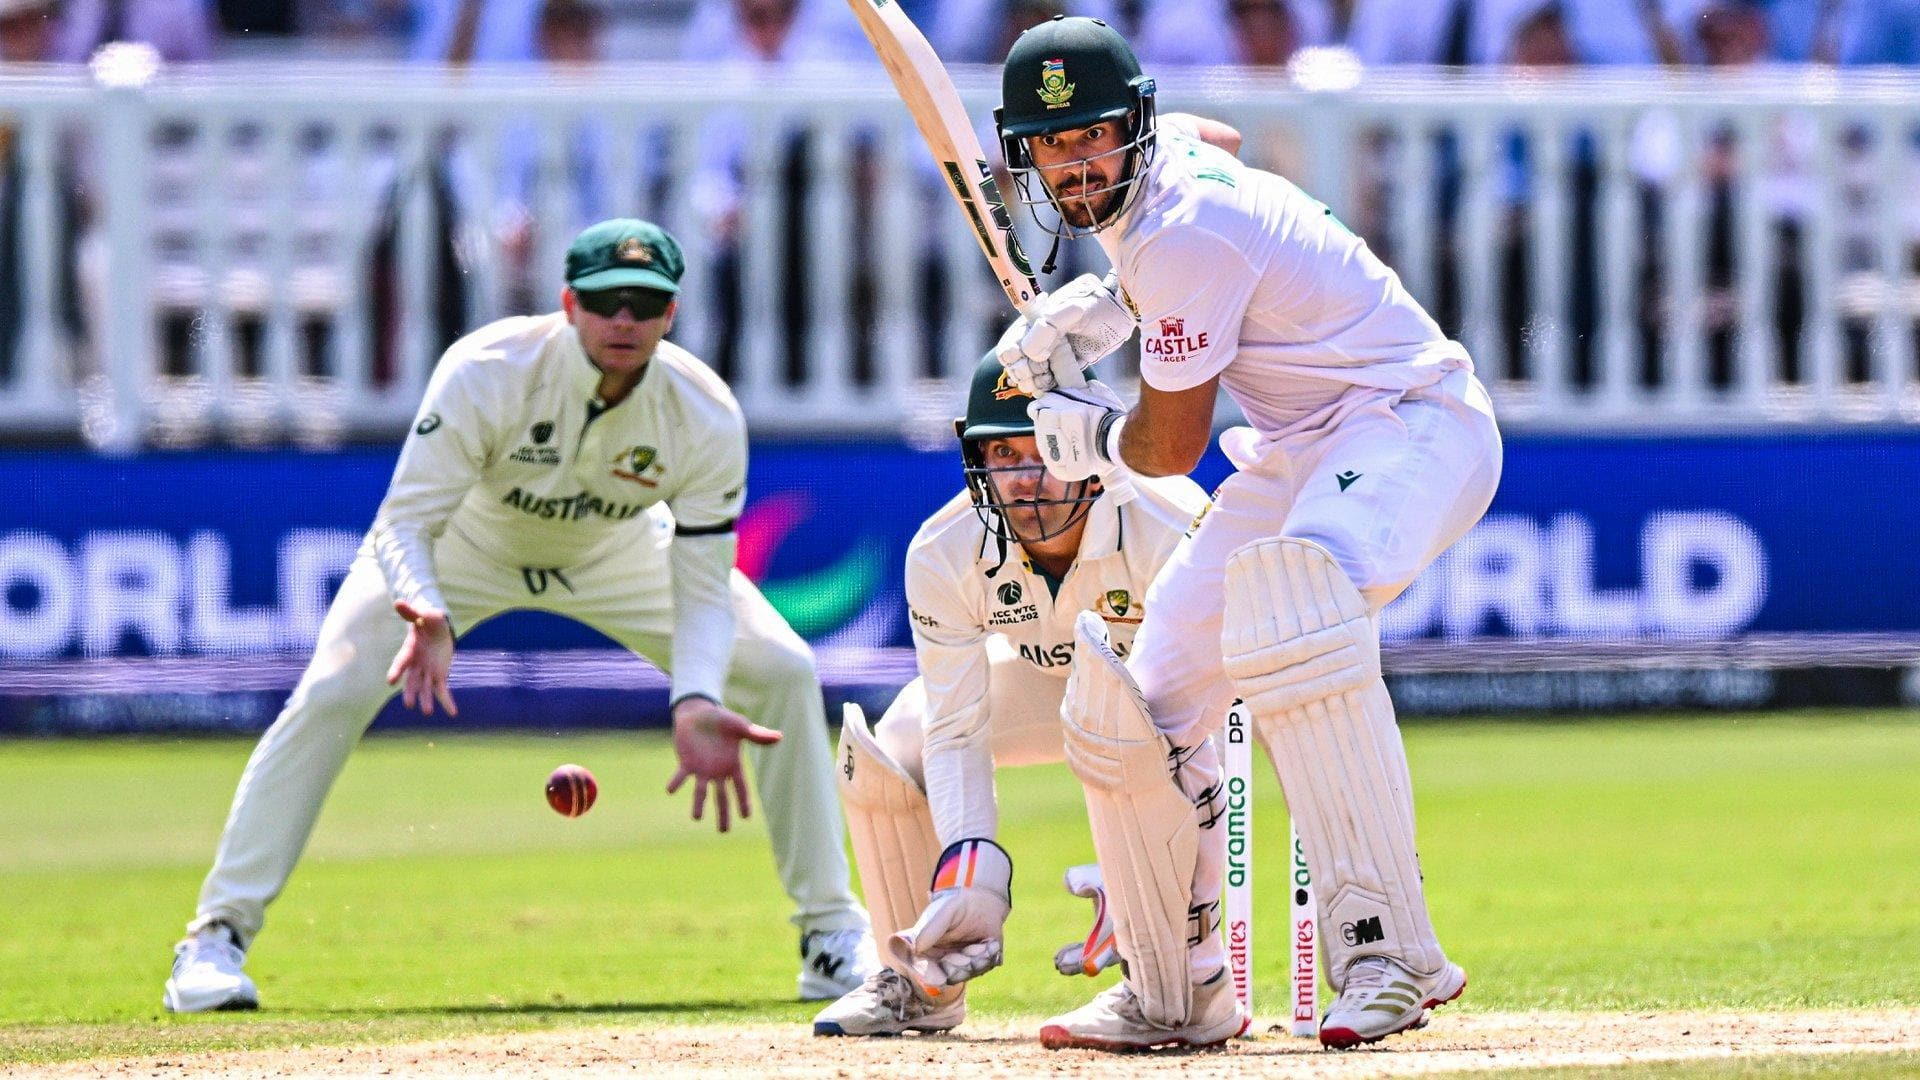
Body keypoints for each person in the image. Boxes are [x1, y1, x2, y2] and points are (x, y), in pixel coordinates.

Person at [162, 218, 875, 1013]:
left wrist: (697, 696)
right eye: (606, 302)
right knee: (330, 690)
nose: (625, 321)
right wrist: (428, 608)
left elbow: (704, 580)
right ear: (568, 304)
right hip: (464, 543)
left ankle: (829, 935)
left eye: (646, 304)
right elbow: (404, 521)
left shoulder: (702, 411)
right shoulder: (489, 369)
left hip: (617, 550)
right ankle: (215, 938)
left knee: (782, 669)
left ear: (671, 314)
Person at [988, 16, 1502, 1052]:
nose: (1077, 165)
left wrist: (1090, 435)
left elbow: (1171, 446)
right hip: (1300, 442)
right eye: (1054, 144)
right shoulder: (1166, 166)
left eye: (1094, 137)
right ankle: (1175, 990)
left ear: (1134, 126)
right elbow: (1213, 138)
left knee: (1295, 607)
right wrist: (1114, 300)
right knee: (1140, 704)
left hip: (1410, 419)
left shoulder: (1182, 234)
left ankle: (1392, 955)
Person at [811, 353, 1207, 1037]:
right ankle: (920, 979)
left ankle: (1178, 979)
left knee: (1127, 716)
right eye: (1004, 454)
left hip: (1186, 707)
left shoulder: (1168, 521)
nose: (1026, 479)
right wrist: (969, 867)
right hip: (1050, 686)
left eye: (1048, 449)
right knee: (894, 741)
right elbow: (954, 727)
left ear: (1093, 448)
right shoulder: (945, 548)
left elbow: (1209, 702)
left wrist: (1147, 876)